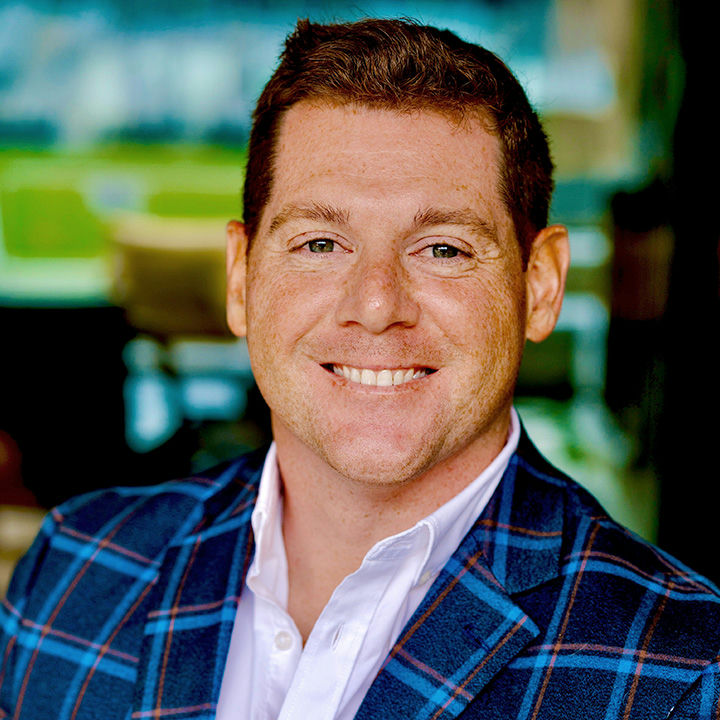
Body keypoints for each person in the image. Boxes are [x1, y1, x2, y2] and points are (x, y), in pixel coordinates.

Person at [2, 17, 719, 720]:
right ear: (242, 278)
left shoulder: (685, 676)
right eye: (320, 244)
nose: (376, 306)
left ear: (540, 286)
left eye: (443, 249)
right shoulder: (71, 575)